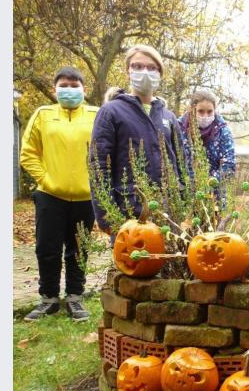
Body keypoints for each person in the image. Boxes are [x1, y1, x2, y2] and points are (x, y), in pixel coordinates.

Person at [20, 66, 99, 322]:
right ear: (54, 90)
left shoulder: (97, 115)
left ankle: (75, 297)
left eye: (75, 86)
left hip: (85, 197)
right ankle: (49, 300)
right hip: (50, 196)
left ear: (84, 89)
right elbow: (28, 153)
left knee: (78, 249)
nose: (69, 90)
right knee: (47, 248)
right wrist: (46, 180)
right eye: (63, 85)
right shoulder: (43, 115)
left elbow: (107, 149)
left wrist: (97, 182)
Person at [90, 44, 184, 233]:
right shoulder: (111, 112)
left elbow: (182, 162)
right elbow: (98, 166)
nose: (145, 72)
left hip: (168, 212)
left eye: (152, 68)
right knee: (135, 252)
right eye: (138, 66)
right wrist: (106, 215)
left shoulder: (168, 116)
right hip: (129, 212)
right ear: (128, 70)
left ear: (160, 73)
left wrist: (185, 201)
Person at [177, 90, 236, 195]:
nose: (205, 116)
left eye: (209, 111)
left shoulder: (223, 131)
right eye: (201, 111)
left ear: (214, 110)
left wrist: (209, 183)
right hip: (185, 192)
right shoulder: (179, 128)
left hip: (215, 193)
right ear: (192, 109)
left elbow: (229, 163)